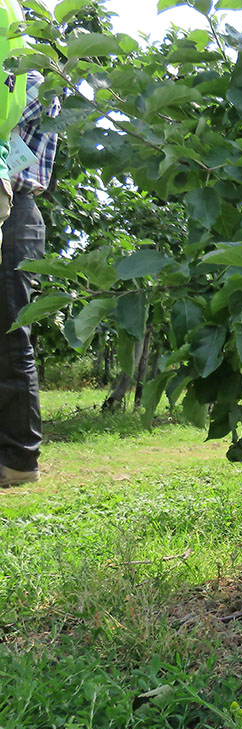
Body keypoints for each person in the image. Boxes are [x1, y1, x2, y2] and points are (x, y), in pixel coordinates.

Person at [1, 8, 54, 488]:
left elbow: (29, 119)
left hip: (16, 211)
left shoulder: (30, 78)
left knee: (11, 332)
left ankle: (20, 461)